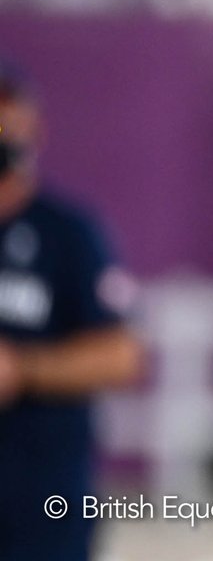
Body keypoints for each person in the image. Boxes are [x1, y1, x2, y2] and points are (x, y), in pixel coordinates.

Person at [0, 66, 143, 560]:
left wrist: (21, 369)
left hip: (41, 510)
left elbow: (122, 356)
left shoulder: (69, 234)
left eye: (7, 122)